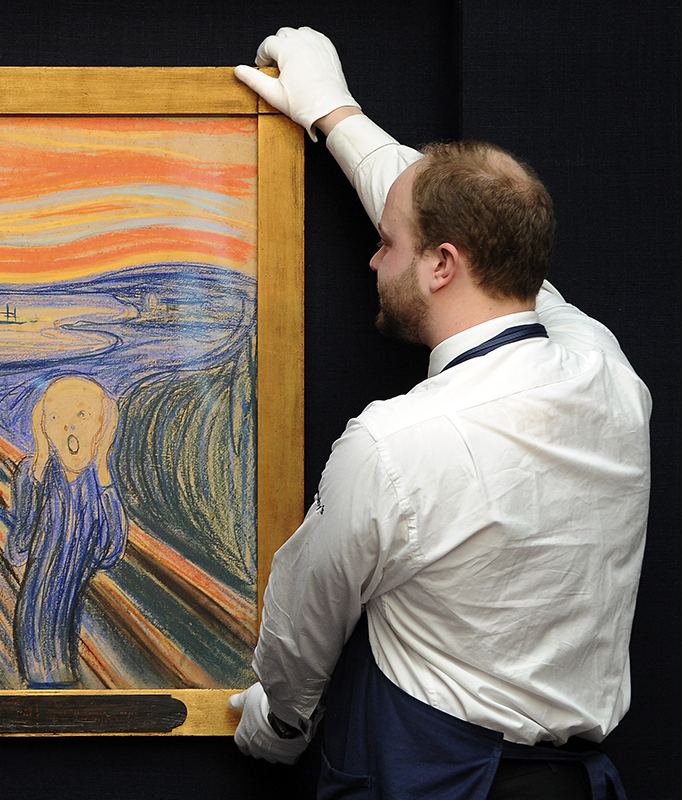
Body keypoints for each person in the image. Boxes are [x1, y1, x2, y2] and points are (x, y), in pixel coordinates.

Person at [227, 27, 650, 800]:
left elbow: (304, 613)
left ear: (442, 264)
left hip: (425, 778)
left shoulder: (391, 443)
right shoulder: (609, 371)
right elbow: (480, 235)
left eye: (388, 244)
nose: (373, 258)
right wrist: (334, 114)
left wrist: (280, 723)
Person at [6, 376, 128, 687]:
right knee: (42, 683)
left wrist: (102, 466)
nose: (67, 426)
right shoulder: (33, 474)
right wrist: (38, 465)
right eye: (54, 416)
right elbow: (17, 547)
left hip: (80, 622)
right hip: (35, 616)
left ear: (103, 424)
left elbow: (111, 551)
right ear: (43, 426)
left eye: (82, 414)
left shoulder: (100, 484)